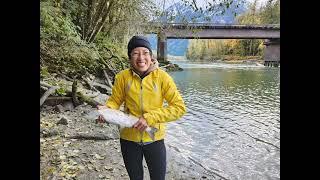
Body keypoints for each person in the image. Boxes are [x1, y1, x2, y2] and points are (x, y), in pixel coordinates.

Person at [97, 35, 186, 180]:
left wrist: (149, 118)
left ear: (151, 57)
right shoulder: (122, 77)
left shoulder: (163, 77)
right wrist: (106, 110)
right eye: (135, 53)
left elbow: (179, 108)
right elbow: (115, 101)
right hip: (128, 139)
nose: (141, 58)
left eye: (145, 53)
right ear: (130, 57)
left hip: (155, 138)